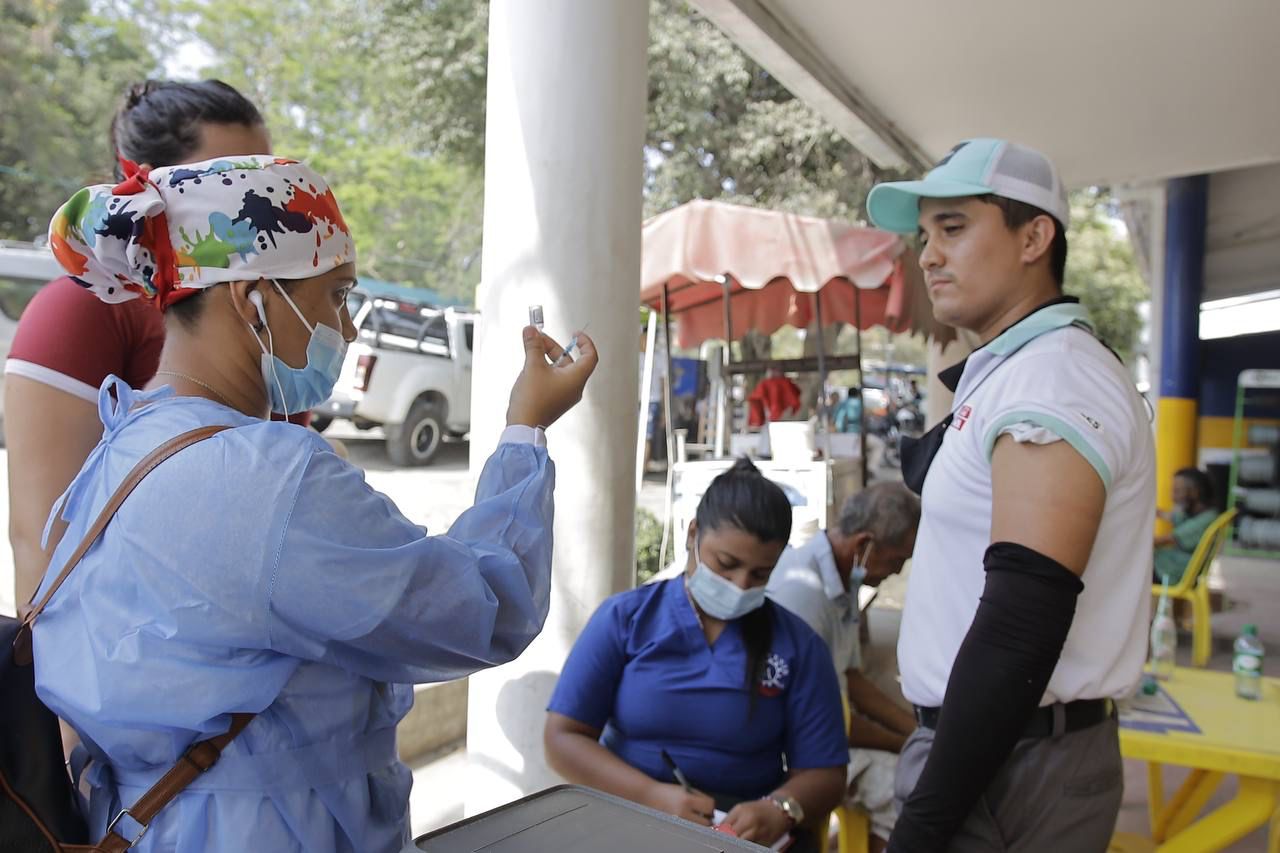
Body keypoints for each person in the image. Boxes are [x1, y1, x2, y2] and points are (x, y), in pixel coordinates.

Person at [31, 155, 598, 852]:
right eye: (337, 294)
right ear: (253, 298)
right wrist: (525, 429)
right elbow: (483, 608)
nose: (348, 329)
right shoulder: (265, 477)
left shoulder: (125, 443)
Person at [865, 139, 1155, 852]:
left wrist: (923, 826)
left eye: (953, 228)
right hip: (994, 752)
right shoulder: (1018, 369)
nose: (929, 256)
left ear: (1034, 237)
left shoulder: (1052, 379)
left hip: (1007, 769)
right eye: (924, 236)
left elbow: (1022, 621)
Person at [5, 79, 285, 606]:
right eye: (226, 179)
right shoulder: (80, 313)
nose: (256, 198)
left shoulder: (269, 311)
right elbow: (42, 549)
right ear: (151, 192)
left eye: (264, 173)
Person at [544, 458, 847, 852]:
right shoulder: (626, 619)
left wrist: (780, 808)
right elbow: (562, 738)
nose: (740, 585)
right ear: (692, 534)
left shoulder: (798, 645)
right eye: (726, 564)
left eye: (760, 574)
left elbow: (826, 774)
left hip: (741, 837)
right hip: (625, 819)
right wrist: (650, 795)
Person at [766, 483, 920, 853]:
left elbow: (851, 678)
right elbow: (825, 724)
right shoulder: (803, 591)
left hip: (831, 731)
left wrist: (915, 730)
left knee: (922, 765)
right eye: (896, 560)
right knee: (916, 796)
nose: (897, 572)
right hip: (803, 752)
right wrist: (906, 743)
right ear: (864, 544)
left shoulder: (843, 575)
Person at [1154, 467, 1218, 584]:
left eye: (1177, 491)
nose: (1172, 497)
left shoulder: (1205, 520)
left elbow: (1164, 540)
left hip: (1176, 571)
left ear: (1195, 492)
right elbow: (1169, 516)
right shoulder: (1202, 513)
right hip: (1180, 565)